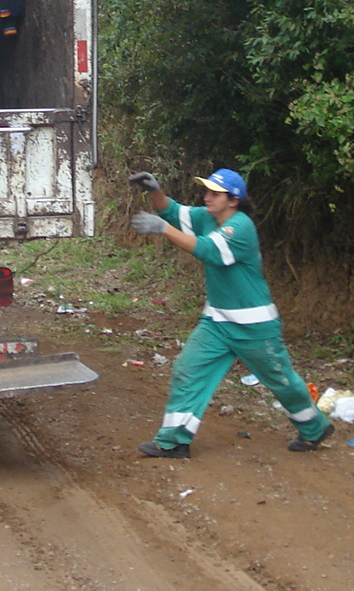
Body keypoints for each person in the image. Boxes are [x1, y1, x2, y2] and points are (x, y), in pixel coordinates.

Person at [127, 168, 333, 458]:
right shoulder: (208, 217)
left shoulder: (241, 227)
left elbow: (208, 250)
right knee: (189, 369)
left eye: (215, 193)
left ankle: (314, 427)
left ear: (233, 200)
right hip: (217, 322)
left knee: (281, 380)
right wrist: (155, 192)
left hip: (254, 326)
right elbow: (174, 213)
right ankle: (173, 442)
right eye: (207, 191)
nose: (207, 197)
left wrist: (162, 229)